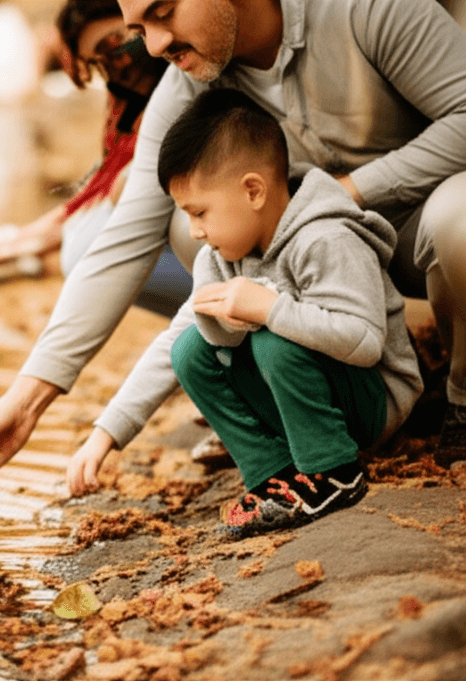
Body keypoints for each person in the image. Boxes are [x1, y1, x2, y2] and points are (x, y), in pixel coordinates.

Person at [0, 0, 466, 493]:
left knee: (459, 217)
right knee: (188, 228)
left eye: (164, 13)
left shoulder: (366, 9)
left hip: (424, 237)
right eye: (138, 29)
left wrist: (349, 191)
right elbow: (126, 238)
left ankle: (461, 401)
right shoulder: (188, 79)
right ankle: (283, 414)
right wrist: (27, 400)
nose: (152, 47)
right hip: (320, 271)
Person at [160, 89, 422, 536]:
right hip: (300, 397)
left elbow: (363, 342)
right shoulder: (217, 256)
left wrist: (270, 309)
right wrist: (218, 321)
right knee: (188, 351)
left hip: (370, 399)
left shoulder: (326, 238)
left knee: (273, 337)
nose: (193, 230)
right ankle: (273, 470)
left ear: (253, 191)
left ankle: (335, 470)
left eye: (199, 212)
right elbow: (212, 345)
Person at [0, 0, 167, 277]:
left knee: (79, 247)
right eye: (98, 63)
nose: (116, 66)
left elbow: (116, 192)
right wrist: (28, 236)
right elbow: (99, 184)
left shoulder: (178, 87)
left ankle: (36, 264)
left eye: (114, 43)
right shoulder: (128, 105)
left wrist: (36, 241)